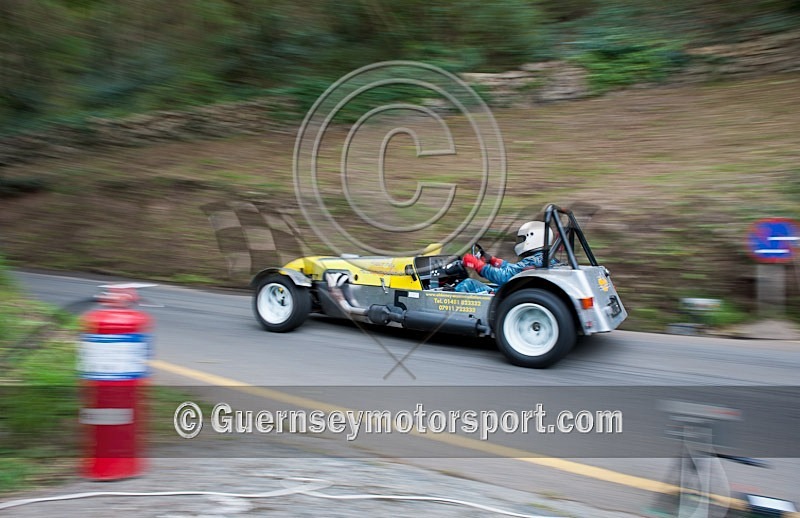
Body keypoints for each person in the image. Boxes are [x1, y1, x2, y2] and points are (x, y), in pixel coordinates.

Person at [454, 221, 554, 294]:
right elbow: (516, 271)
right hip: (523, 291)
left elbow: (505, 277)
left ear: (532, 237)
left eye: (522, 239)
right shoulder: (546, 259)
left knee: (467, 284)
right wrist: (494, 261)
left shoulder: (533, 261)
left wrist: (478, 265)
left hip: (512, 294)